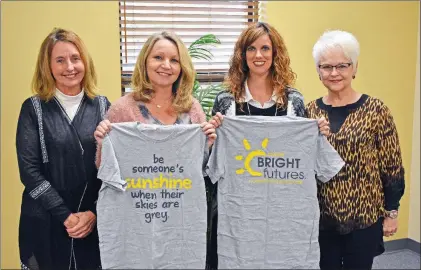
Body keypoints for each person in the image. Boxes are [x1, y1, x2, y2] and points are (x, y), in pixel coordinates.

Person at [207, 22, 330, 269]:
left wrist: (318, 134)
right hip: (239, 209)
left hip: (282, 209)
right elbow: (213, 160)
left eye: (265, 48)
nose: (258, 55)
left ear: (276, 54)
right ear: (242, 55)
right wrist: (211, 137)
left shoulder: (293, 100)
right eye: (251, 49)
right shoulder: (225, 101)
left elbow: (303, 154)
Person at [305, 30, 405, 270]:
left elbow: (392, 166)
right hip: (321, 218)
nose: (334, 73)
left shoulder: (376, 110)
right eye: (326, 66)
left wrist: (391, 212)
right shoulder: (309, 113)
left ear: (354, 68)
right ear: (318, 71)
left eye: (342, 65)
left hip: (364, 217)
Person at [16, 28, 109, 270]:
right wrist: (67, 217)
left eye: (75, 58)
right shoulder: (33, 108)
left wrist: (93, 214)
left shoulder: (103, 106)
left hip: (92, 223)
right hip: (46, 221)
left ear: (85, 62)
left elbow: (114, 170)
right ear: (47, 66)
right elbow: (29, 171)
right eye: (60, 60)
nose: (70, 66)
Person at [94, 31, 216, 163]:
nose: (166, 65)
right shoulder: (122, 109)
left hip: (184, 184)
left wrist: (206, 146)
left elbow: (199, 168)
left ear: (182, 68)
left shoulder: (192, 108)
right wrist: (104, 143)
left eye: (174, 60)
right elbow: (105, 168)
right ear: (145, 62)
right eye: (158, 57)